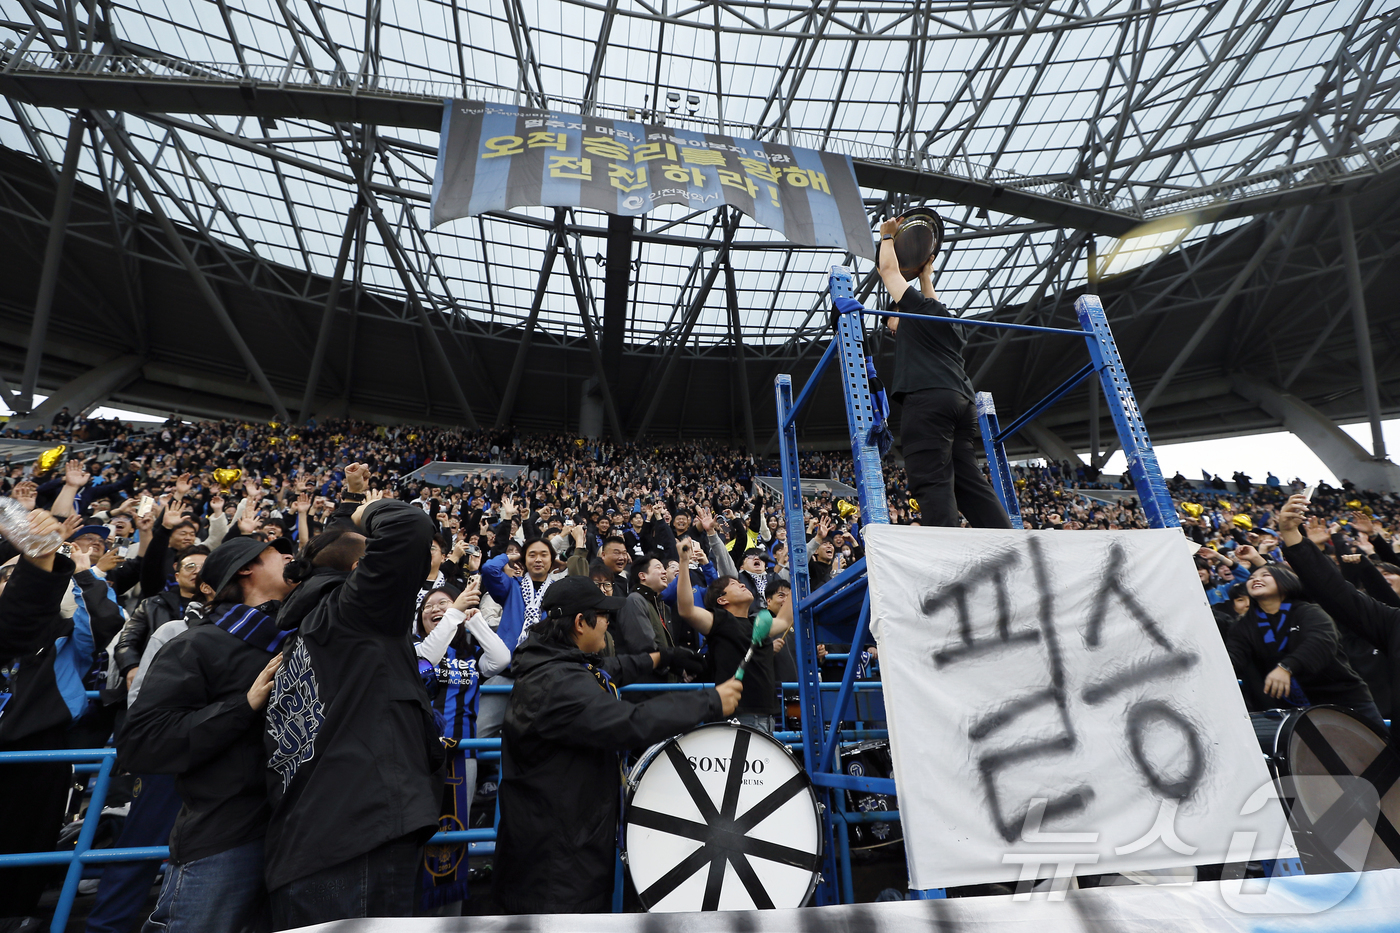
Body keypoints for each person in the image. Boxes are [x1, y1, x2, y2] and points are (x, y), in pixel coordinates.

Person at [261, 482, 443, 930]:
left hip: (310, 841)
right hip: (358, 839)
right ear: (364, 570)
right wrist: (369, 510)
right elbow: (409, 526)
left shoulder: (315, 620)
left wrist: (349, 506)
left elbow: (336, 549)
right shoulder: (355, 610)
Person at [493, 576, 734, 914]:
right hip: (555, 868)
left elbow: (610, 668)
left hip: (560, 846)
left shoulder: (555, 665)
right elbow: (630, 722)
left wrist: (663, 657)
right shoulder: (557, 684)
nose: (609, 624)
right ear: (580, 623)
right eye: (603, 616)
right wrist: (709, 701)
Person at [120, 533, 296, 933]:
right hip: (225, 839)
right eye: (276, 553)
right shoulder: (196, 644)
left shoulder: (299, 639)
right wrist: (243, 706)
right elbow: (142, 742)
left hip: (295, 835)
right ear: (246, 569)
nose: (290, 557)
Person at [877, 215, 1011, 529]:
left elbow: (888, 271)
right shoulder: (945, 321)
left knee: (932, 479)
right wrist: (927, 275)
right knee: (969, 483)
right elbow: (931, 299)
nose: (891, 328)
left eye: (891, 319)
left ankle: (944, 552)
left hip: (929, 401)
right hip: (962, 405)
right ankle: (1006, 540)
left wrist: (886, 236)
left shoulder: (916, 310)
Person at [413, 584, 509, 913]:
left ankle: (449, 916)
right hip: (420, 758)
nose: (436, 608)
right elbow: (426, 660)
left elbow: (502, 658)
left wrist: (475, 620)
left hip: (462, 758)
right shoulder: (415, 649)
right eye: (429, 605)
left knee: (455, 835)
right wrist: (452, 612)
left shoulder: (470, 658)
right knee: (421, 833)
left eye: (444, 602)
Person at [1223, 559, 1385, 733]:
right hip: (1293, 712)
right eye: (1252, 577)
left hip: (1344, 698)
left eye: (1265, 575)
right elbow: (1234, 656)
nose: (1255, 579)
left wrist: (1287, 667)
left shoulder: (1309, 611)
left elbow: (1321, 641)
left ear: (1286, 581)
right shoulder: (1244, 626)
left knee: (1382, 754)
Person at [674, 540, 792, 734]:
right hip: (739, 716)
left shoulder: (757, 624)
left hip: (767, 716)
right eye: (735, 585)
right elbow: (686, 610)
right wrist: (684, 561)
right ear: (722, 599)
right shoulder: (720, 621)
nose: (742, 586)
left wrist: (794, 574)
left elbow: (784, 621)